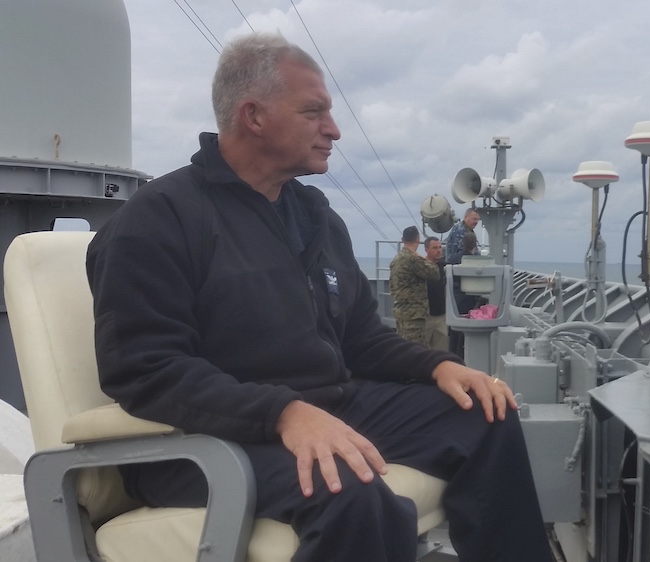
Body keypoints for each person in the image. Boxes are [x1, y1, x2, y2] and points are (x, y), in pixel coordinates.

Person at [86, 33, 551, 562]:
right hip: (201, 441)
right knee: (350, 493)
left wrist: (439, 368)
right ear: (253, 116)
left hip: (328, 408)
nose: (333, 130)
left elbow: (360, 338)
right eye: (314, 112)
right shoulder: (158, 219)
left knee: (484, 415)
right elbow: (145, 370)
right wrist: (285, 412)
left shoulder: (315, 217)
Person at [389, 225, 439, 344]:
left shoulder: (397, 259)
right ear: (418, 239)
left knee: (403, 348)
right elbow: (434, 274)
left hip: (401, 312)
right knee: (416, 350)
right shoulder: (413, 259)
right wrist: (423, 258)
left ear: (402, 239)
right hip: (414, 315)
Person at [449, 231, 487, 358]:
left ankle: (452, 356)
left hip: (454, 298)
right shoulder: (477, 261)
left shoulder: (453, 259)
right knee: (465, 333)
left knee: (454, 331)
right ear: (475, 244)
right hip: (470, 300)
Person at [423, 236, 449, 351]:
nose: (439, 250)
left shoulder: (445, 267)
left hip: (441, 317)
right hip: (426, 317)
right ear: (426, 250)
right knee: (420, 350)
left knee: (441, 353)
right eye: (434, 248)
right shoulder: (421, 267)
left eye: (440, 247)